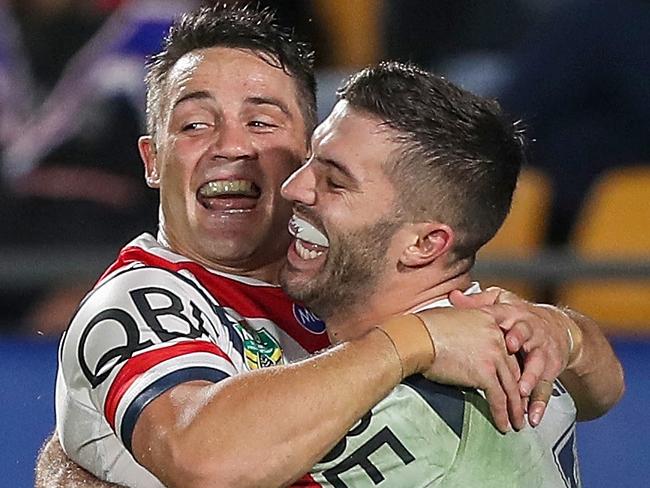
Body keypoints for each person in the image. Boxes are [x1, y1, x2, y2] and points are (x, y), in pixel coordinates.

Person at [38, 4, 623, 488]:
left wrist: (562, 332)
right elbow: (203, 456)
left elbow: (601, 386)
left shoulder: (345, 285)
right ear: (152, 160)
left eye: (262, 123)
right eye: (194, 124)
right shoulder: (145, 297)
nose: (231, 147)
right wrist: (412, 343)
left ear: (305, 147)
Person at [279, 61, 624, 486]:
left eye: (334, 182)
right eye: (311, 158)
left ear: (424, 244)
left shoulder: (397, 416)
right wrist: (571, 332)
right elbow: (604, 388)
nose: (292, 187)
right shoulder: (526, 343)